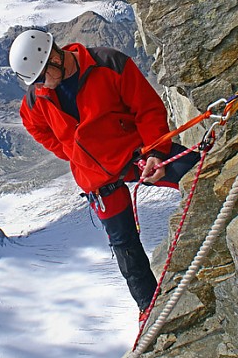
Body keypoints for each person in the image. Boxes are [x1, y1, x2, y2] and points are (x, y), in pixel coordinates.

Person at [9, 28, 174, 325]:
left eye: (42, 77)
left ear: (54, 59)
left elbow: (146, 108)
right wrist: (72, 152)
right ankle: (150, 310)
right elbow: (35, 126)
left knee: (193, 168)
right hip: (95, 177)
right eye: (35, 82)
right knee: (124, 244)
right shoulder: (38, 98)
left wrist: (157, 152)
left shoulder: (108, 63)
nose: (40, 86)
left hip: (134, 152)